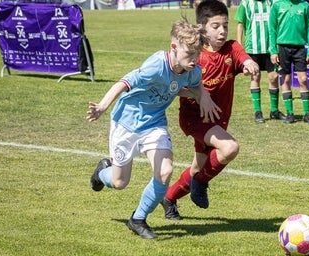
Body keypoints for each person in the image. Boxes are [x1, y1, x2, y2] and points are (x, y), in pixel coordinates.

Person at [86, 19, 219, 239]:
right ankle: (101, 173)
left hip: (154, 123)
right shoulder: (156, 64)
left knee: (165, 171)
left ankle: (138, 219)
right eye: (189, 54)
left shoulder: (192, 69)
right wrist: (102, 106)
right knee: (119, 182)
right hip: (126, 123)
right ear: (173, 47)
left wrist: (202, 95)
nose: (194, 60)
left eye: (197, 54)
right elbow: (124, 83)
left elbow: (191, 85)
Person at [160, 0, 259, 220]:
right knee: (229, 148)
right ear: (202, 27)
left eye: (225, 25)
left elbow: (243, 59)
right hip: (194, 119)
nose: (222, 31)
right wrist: (199, 94)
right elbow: (173, 87)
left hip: (217, 121)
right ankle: (201, 183)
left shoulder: (232, 48)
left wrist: (250, 64)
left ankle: (168, 198)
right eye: (216, 26)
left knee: (199, 167)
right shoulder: (195, 57)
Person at [234, 0, 286, 123]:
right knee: (255, 76)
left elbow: (279, 23)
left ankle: (274, 111)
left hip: (270, 48)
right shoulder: (246, 3)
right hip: (253, 48)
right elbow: (240, 25)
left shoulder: (272, 2)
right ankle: (258, 112)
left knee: (273, 77)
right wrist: (240, 47)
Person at [269, 0, 309, 124]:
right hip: (282, 48)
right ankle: (290, 114)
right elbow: (272, 29)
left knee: (303, 79)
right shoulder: (277, 5)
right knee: (285, 80)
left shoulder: (305, 5)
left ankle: (307, 114)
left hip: (300, 49)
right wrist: (274, 51)